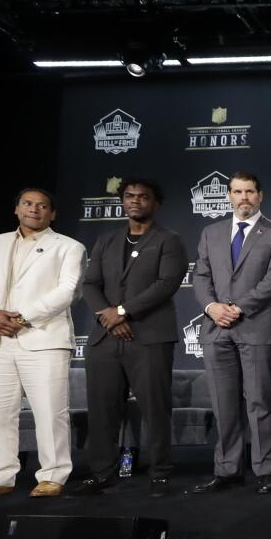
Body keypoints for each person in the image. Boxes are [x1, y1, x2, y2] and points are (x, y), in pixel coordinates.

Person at [0, 188, 84, 499]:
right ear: (17, 209)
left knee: (50, 411)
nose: (34, 210)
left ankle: (53, 476)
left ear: (52, 214)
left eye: (42, 206)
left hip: (43, 339)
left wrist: (21, 317)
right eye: (27, 204)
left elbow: (68, 291)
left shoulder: (68, 246)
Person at [74, 178, 188, 498]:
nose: (135, 201)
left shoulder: (169, 240)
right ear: (123, 201)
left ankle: (160, 473)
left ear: (156, 203)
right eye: (129, 196)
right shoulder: (106, 240)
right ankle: (102, 473)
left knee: (155, 409)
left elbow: (166, 284)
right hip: (106, 339)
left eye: (143, 197)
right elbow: (90, 284)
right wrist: (110, 317)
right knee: (102, 410)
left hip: (149, 337)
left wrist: (122, 311)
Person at [191, 171, 271, 494]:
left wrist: (236, 307)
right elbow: (201, 275)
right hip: (216, 328)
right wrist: (211, 307)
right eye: (237, 192)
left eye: (249, 191)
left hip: (256, 327)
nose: (243, 198)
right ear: (229, 196)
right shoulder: (211, 232)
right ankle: (227, 469)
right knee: (223, 404)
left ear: (260, 196)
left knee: (260, 402)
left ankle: (263, 470)